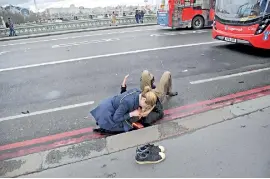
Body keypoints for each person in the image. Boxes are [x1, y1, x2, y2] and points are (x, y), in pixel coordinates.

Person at [91, 86, 157, 134]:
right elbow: (116, 118)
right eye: (146, 106)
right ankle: (106, 129)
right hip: (107, 115)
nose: (145, 108)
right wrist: (132, 114)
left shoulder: (138, 92)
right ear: (144, 99)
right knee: (126, 128)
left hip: (110, 105)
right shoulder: (128, 102)